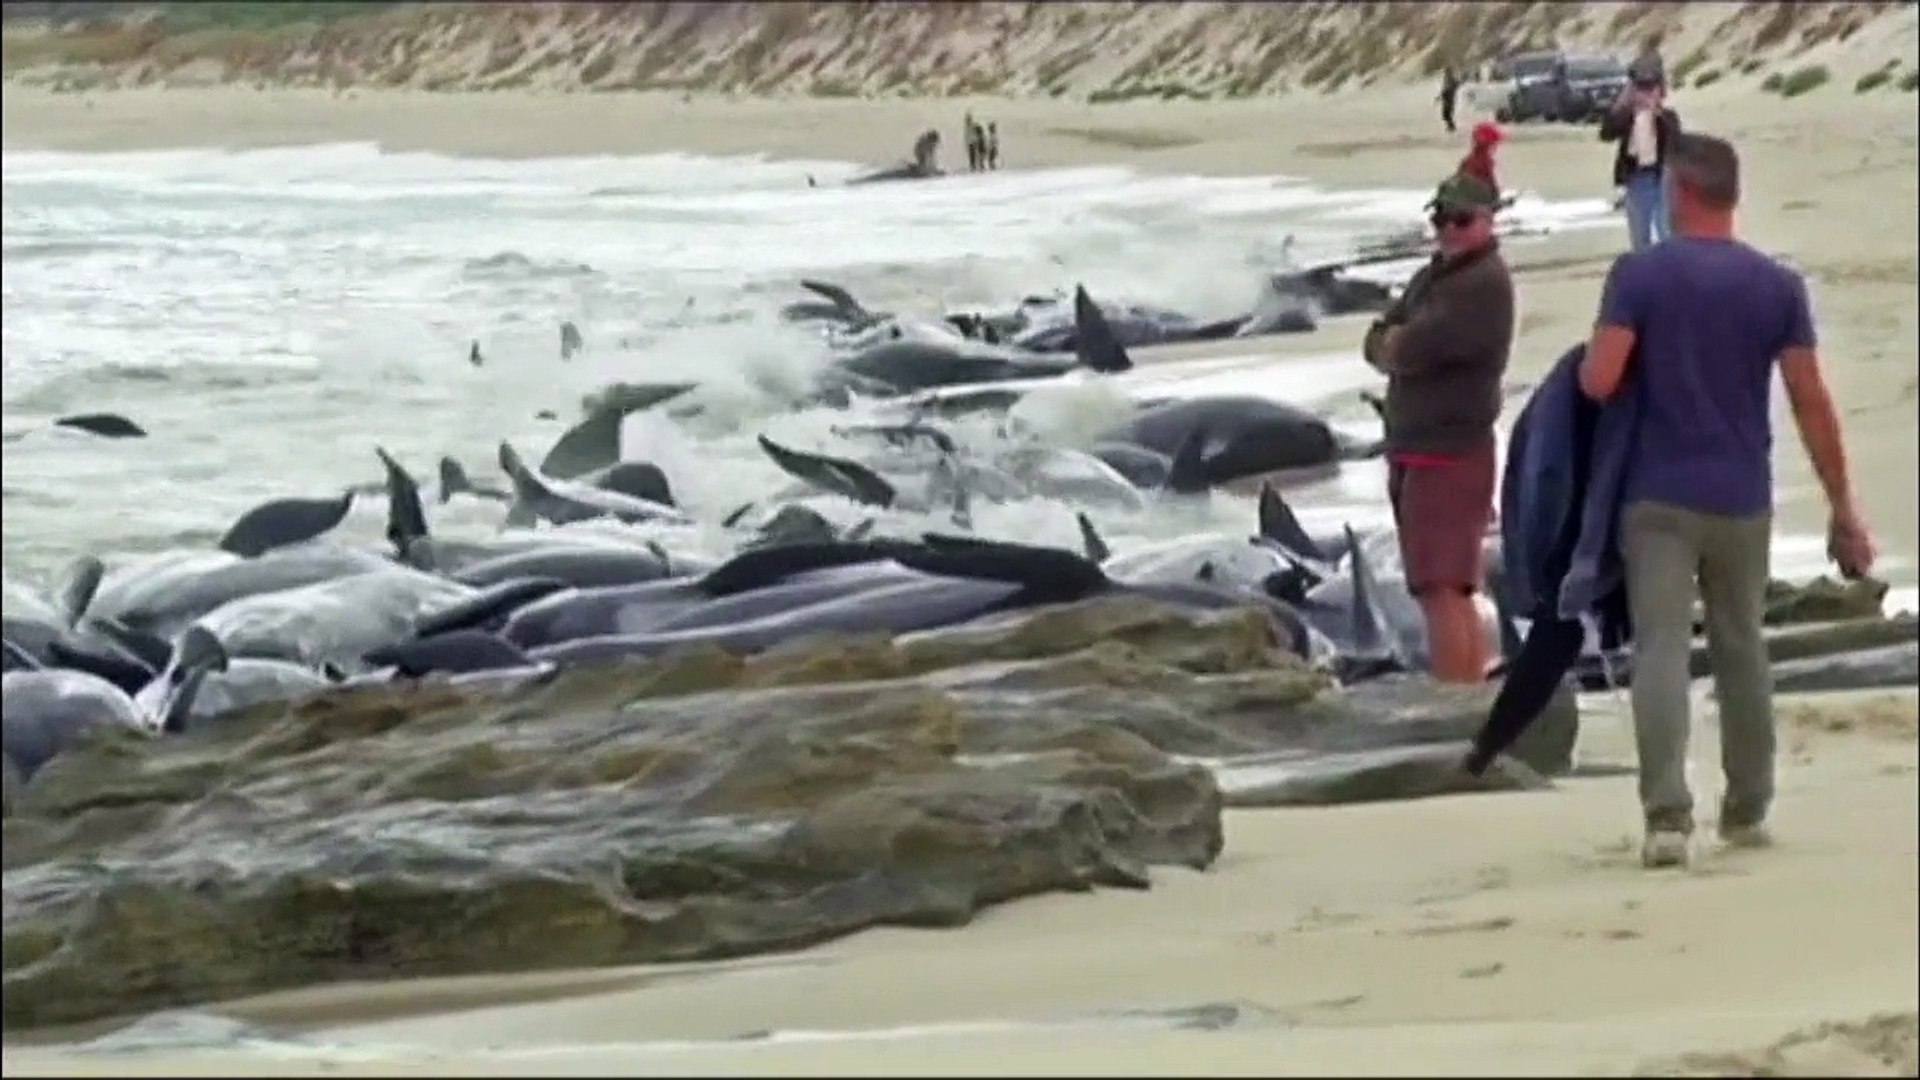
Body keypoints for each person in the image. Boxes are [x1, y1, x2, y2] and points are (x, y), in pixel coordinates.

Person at [1577, 133, 1876, 869]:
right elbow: (1811, 400)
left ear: (1678, 192)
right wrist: (1844, 508)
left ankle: (1668, 819)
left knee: (1663, 649)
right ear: (1731, 195)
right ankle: (1747, 805)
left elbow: (1600, 380)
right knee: (1743, 647)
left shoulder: (1639, 275)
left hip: (1657, 496)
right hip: (1743, 495)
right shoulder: (1776, 286)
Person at [1362, 173, 1515, 684]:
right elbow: (1378, 338)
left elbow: (1407, 347)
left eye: (1461, 220)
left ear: (1489, 221)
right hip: (1419, 447)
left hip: (1449, 452)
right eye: (1440, 218)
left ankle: (1456, 702)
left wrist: (1395, 346)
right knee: (1440, 588)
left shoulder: (1481, 285)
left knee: (1443, 588)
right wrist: (1392, 344)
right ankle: (1467, 695)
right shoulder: (1437, 277)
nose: (1448, 229)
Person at [1599, 60, 1681, 250]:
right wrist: (1623, 104)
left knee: (1665, 230)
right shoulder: (1627, 116)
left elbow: (1676, 140)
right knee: (1639, 234)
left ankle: (1669, 268)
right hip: (1636, 178)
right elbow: (1606, 133)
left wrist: (1656, 111)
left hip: (1662, 177)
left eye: (1649, 88)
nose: (1644, 94)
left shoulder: (1667, 117)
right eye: (1640, 89)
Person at [1458, 121, 1503, 201]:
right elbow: (1491, 182)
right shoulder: (1486, 161)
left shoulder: (1467, 160)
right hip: (1476, 199)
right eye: (1493, 143)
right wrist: (1496, 196)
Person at [1437, 66, 1461, 133]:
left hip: (1449, 98)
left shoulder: (1450, 79)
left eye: (1446, 72)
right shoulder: (1447, 79)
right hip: (1447, 98)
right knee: (1445, 114)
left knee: (1446, 114)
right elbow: (1445, 89)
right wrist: (1440, 97)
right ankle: (1451, 126)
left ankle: (1452, 127)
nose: (1445, 74)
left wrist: (1442, 95)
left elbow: (1449, 88)